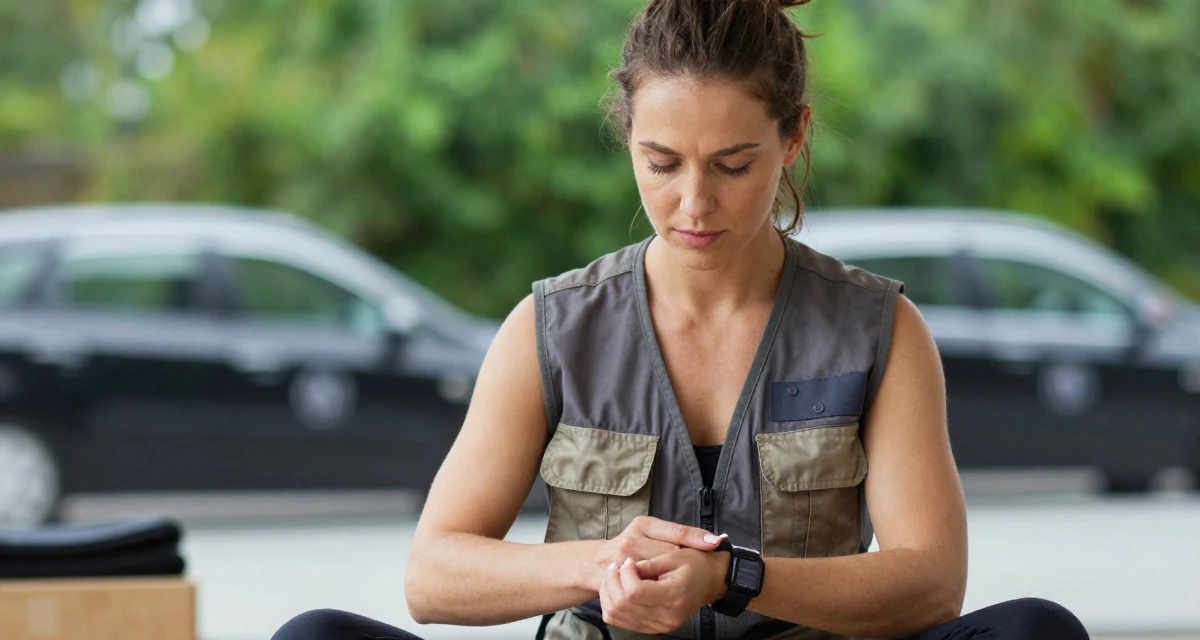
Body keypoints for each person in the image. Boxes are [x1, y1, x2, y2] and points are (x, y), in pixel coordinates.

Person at [273, 0, 1090, 638]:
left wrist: (737, 576)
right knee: (312, 635)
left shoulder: (882, 331)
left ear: (794, 137)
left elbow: (930, 583)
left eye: (734, 166)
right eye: (661, 164)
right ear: (628, 137)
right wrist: (605, 564)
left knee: (1036, 630)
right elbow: (433, 577)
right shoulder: (548, 328)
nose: (694, 204)